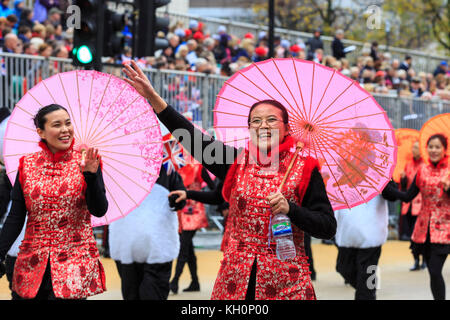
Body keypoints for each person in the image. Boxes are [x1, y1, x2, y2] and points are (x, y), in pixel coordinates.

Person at [122, 60, 336, 300]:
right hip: (236, 282)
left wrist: (291, 209)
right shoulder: (236, 160)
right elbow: (193, 139)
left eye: (271, 120)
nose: (263, 125)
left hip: (286, 283)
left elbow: (327, 227)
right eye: (256, 120)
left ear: (286, 128)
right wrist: (155, 100)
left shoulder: (305, 169)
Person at [0, 104, 108, 300]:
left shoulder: (87, 161)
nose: (65, 129)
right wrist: (0, 252)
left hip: (74, 264)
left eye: (68, 123)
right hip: (31, 262)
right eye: (57, 125)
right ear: (41, 132)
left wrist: (91, 178)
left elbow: (99, 210)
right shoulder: (26, 164)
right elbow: (15, 217)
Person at [385, 133, 450, 300]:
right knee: (432, 273)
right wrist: (388, 186)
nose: (434, 150)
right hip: (424, 229)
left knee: (435, 270)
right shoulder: (422, 170)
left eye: (437, 147)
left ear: (444, 150)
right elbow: (408, 196)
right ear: (426, 149)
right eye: (431, 146)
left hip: (444, 230)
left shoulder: (449, 171)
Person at [108, 164, 187, 300]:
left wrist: (175, 200)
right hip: (127, 242)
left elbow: (179, 196)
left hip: (157, 243)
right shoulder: (118, 165)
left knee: (153, 293)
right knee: (131, 293)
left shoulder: (167, 167)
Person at [335, 187, 396, 300]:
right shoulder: (340, 172)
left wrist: (390, 188)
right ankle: (370, 288)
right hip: (347, 234)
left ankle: (369, 291)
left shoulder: (378, 172)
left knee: (365, 285)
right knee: (343, 268)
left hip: (371, 234)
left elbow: (392, 195)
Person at [169, 164, 210, 294]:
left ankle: (175, 280)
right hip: (182, 213)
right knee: (188, 248)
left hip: (194, 213)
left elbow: (213, 187)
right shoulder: (177, 166)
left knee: (184, 247)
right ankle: (195, 281)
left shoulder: (199, 168)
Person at [399, 141, 426, 270]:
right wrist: (403, 179)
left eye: (416, 147)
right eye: (413, 147)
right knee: (411, 235)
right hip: (408, 205)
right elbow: (404, 187)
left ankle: (425, 259)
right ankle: (415, 259)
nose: (413, 149)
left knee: (422, 234)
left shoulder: (425, 165)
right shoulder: (408, 165)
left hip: (421, 205)